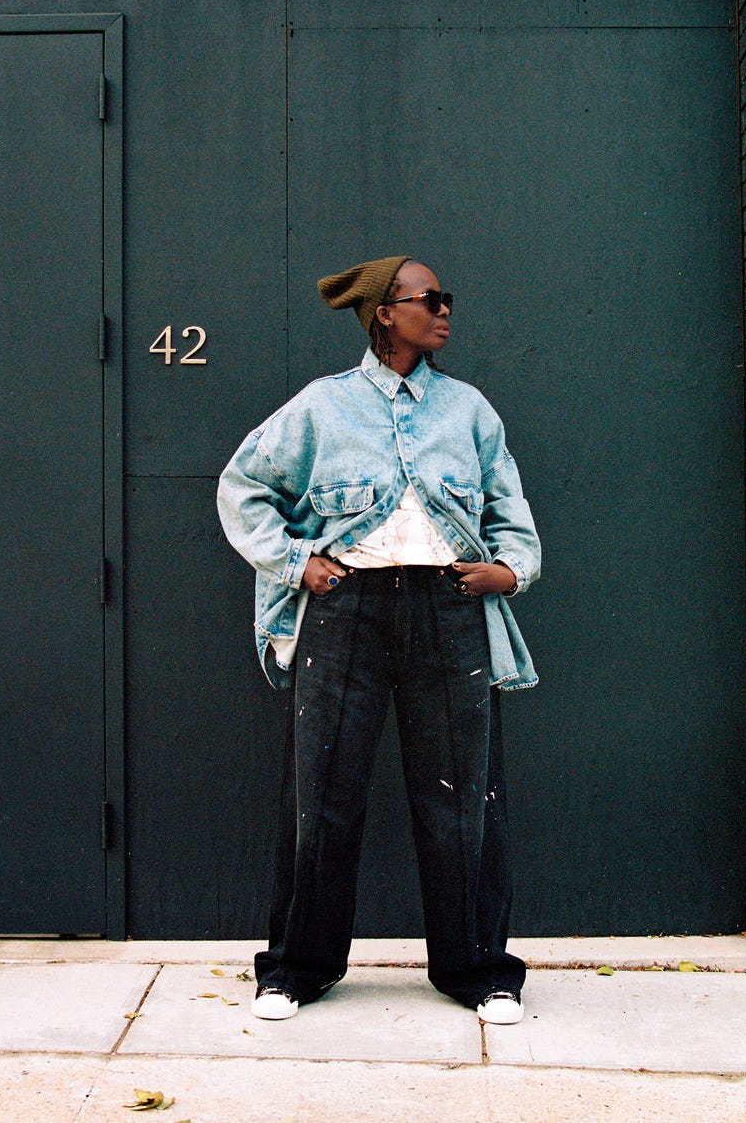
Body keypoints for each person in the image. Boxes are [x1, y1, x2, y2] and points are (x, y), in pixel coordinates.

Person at [217, 256, 540, 1025]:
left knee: (464, 796)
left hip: (448, 605)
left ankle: (479, 969)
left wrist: (508, 570)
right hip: (345, 610)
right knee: (321, 793)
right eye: (429, 299)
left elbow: (508, 504)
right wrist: (301, 563)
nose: (444, 310)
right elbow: (243, 485)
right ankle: (296, 968)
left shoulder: (468, 411)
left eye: (444, 298)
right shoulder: (322, 409)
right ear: (384, 314)